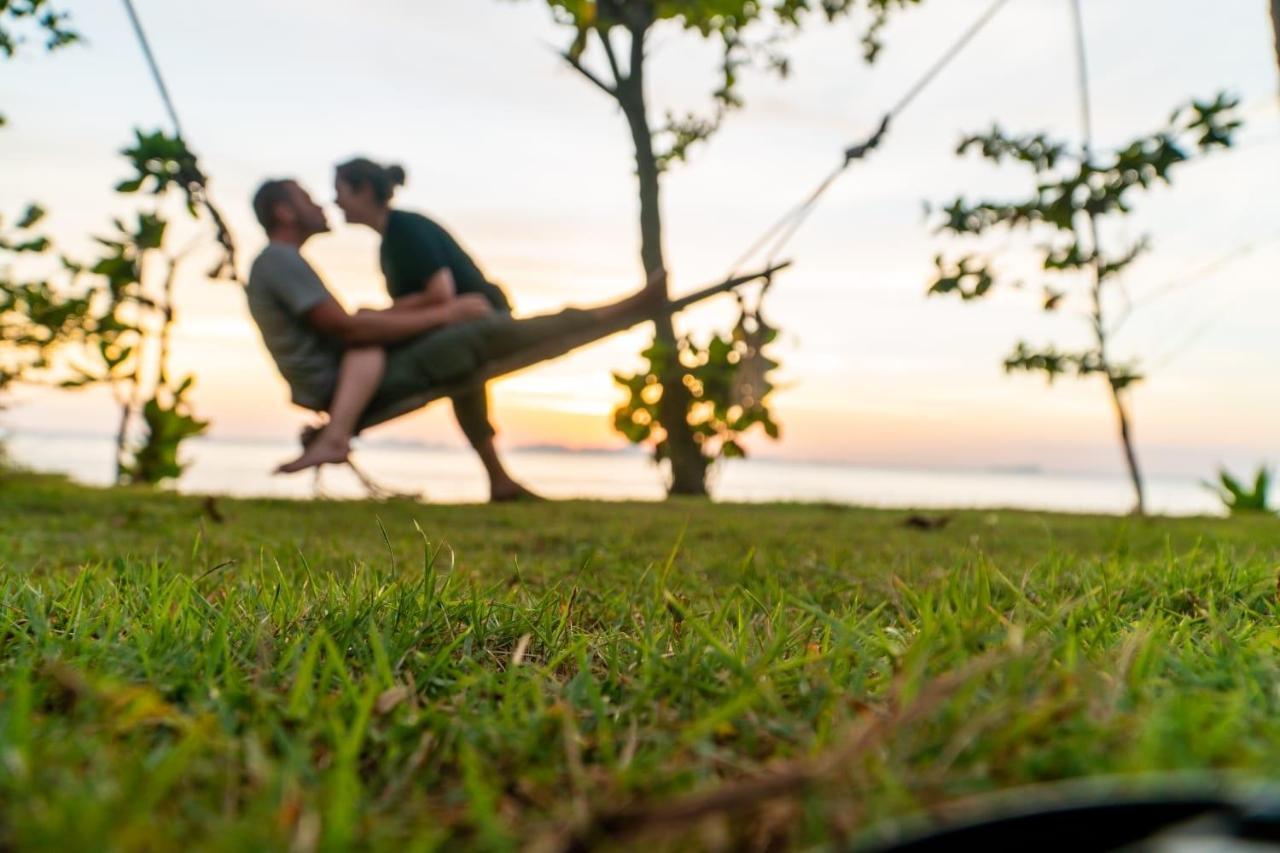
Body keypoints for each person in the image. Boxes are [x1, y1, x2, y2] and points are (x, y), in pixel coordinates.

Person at [244, 178, 663, 501]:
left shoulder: (374, 241)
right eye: (307, 197)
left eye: (334, 193)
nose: (323, 202)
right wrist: (447, 313)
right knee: (479, 339)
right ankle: (618, 310)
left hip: (354, 372)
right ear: (284, 212)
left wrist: (389, 316)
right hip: (344, 380)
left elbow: (357, 326)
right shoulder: (281, 260)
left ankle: (499, 481)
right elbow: (350, 330)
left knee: (466, 360)